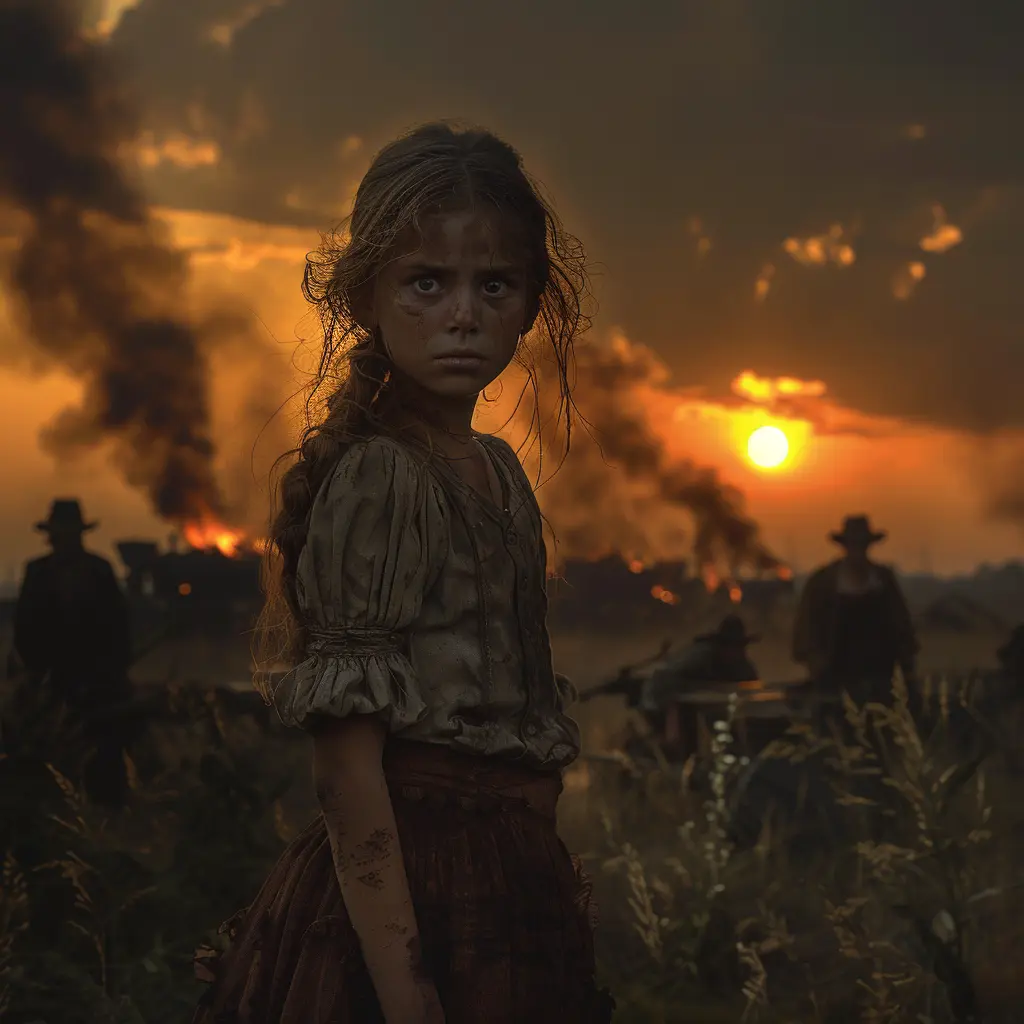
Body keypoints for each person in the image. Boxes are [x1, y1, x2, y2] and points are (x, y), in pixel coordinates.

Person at [191, 124, 613, 1024]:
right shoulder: (383, 474)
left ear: (529, 302)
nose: (462, 313)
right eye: (428, 283)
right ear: (368, 295)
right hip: (404, 897)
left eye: (492, 284)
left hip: (505, 892)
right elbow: (347, 768)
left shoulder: (497, 471)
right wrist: (410, 994)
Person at [10, 498, 133, 808]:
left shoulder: (99, 571)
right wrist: (37, 674)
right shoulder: (37, 572)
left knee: (103, 762)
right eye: (58, 531)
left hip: (98, 687)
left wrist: (109, 673)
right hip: (51, 685)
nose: (61, 538)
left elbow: (118, 631)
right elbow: (24, 630)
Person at [792, 514, 919, 724]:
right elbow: (806, 628)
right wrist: (818, 664)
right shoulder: (823, 583)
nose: (858, 550)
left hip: (882, 674)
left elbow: (901, 625)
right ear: (845, 546)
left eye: (862, 545)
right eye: (854, 544)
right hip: (835, 675)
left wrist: (906, 666)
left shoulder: (883, 580)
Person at [639, 614, 760, 752]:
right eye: (731, 646)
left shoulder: (743, 667)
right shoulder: (699, 658)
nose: (736, 652)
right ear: (721, 645)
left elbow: (752, 692)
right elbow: (665, 682)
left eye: (739, 646)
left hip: (714, 712)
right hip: (665, 703)